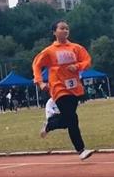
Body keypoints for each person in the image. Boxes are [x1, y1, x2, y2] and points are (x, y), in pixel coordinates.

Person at [33, 20, 94, 160]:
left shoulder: (75, 48)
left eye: (67, 28)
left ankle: (50, 124)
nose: (65, 30)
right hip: (58, 87)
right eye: (62, 28)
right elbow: (36, 65)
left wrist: (77, 66)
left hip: (74, 88)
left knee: (68, 119)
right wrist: (40, 82)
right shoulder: (49, 51)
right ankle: (81, 150)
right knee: (72, 118)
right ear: (54, 32)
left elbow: (87, 61)